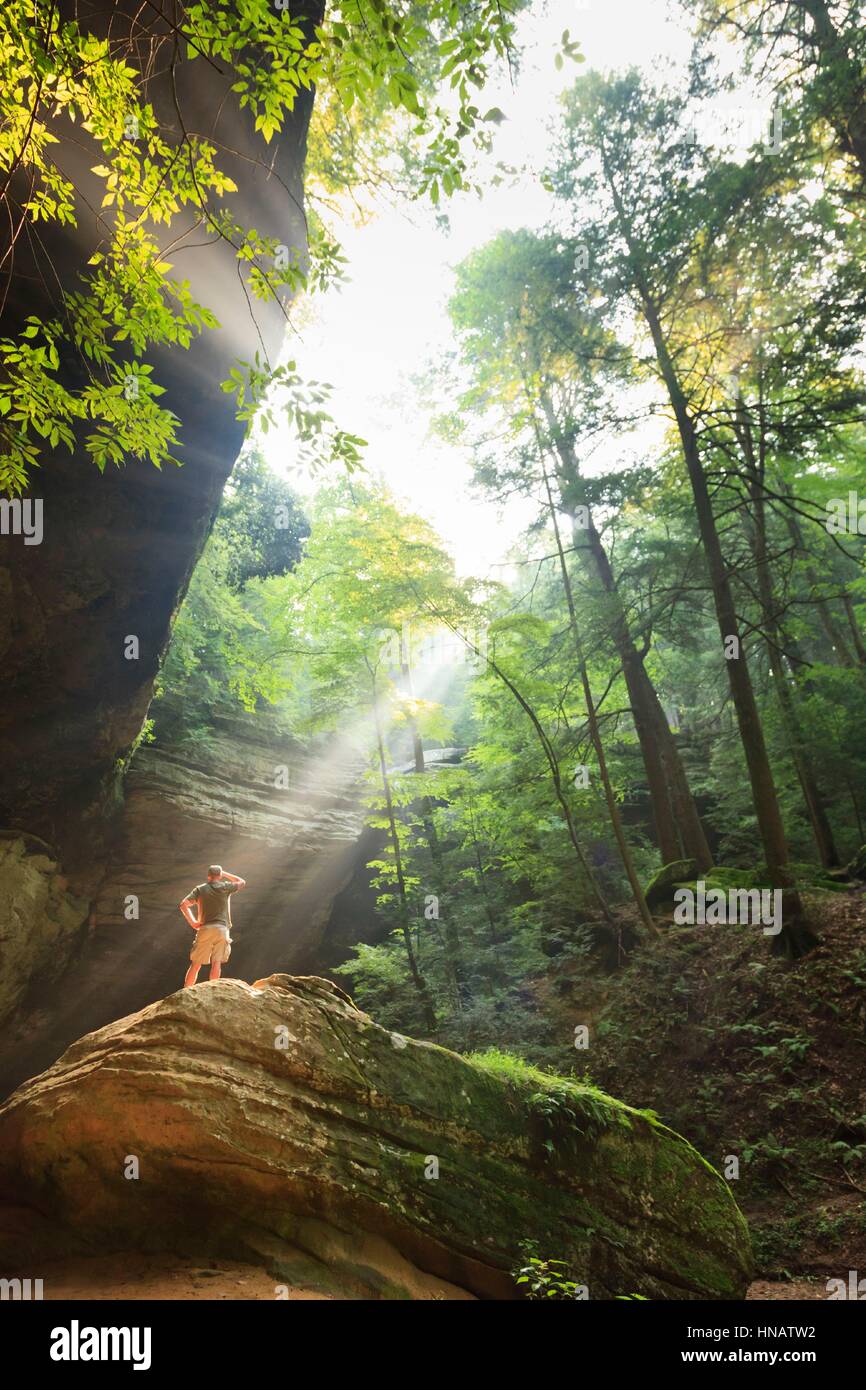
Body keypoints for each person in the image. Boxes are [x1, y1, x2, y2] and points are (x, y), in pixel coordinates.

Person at [179, 864, 246, 988]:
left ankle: (186, 990)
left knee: (196, 964)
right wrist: (224, 873)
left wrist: (193, 922)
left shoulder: (200, 889)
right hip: (222, 929)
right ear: (219, 876)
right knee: (217, 962)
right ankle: (213, 990)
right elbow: (241, 882)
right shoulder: (226, 887)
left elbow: (183, 905)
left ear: (208, 876)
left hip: (205, 929)